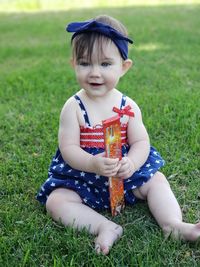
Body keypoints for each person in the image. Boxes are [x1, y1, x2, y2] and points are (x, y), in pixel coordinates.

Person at [36, 15, 200, 255]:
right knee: (56, 201)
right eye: (84, 63)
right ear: (73, 64)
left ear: (124, 67)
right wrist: (92, 162)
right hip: (83, 178)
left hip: (125, 176)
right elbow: (68, 148)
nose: (94, 73)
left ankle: (172, 224)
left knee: (157, 181)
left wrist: (132, 163)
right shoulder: (73, 107)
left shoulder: (128, 106)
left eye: (105, 64)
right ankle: (104, 226)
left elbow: (141, 141)